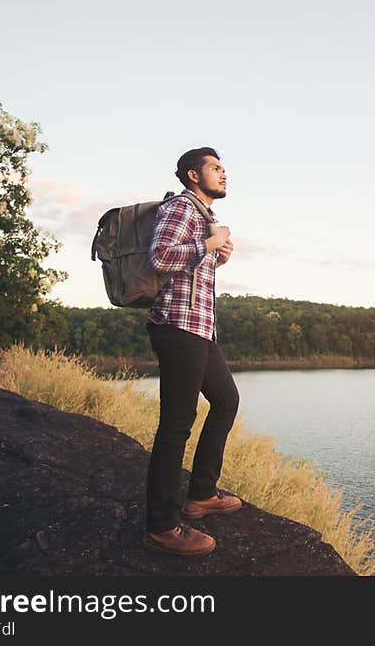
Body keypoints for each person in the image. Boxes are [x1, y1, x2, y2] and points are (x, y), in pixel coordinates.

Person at [142, 147, 242, 556]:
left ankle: (200, 495)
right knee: (176, 425)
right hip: (177, 327)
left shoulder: (204, 219)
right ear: (193, 175)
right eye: (215, 168)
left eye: (223, 168)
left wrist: (218, 258)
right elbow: (160, 258)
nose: (224, 174)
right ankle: (162, 526)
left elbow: (191, 271)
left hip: (200, 328)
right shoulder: (181, 207)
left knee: (225, 401)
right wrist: (210, 243)